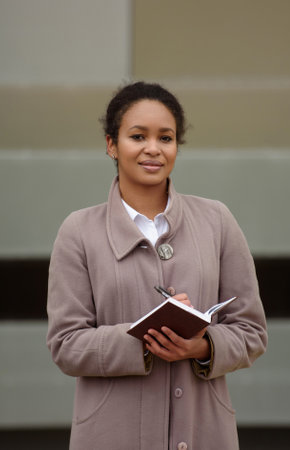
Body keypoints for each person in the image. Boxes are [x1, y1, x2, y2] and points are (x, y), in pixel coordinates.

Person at [47, 81, 267, 450]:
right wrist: (146, 337)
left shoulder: (217, 220)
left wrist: (201, 346)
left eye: (166, 138)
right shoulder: (78, 230)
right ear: (111, 145)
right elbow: (66, 345)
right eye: (137, 136)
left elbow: (252, 332)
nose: (153, 149)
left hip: (205, 434)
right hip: (110, 437)